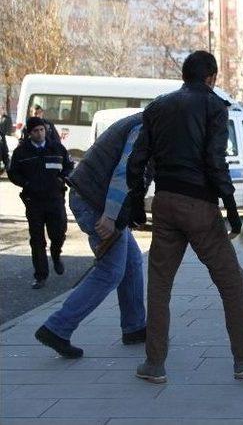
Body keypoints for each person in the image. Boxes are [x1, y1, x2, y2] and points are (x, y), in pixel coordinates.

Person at [127, 50, 243, 383]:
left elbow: (137, 159)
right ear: (211, 77)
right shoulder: (214, 106)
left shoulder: (157, 107)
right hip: (199, 205)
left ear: (185, 76)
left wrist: (137, 201)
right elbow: (215, 161)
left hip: (165, 202)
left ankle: (154, 365)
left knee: (159, 285)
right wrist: (232, 210)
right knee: (231, 282)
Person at [33, 113, 148, 358]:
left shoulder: (150, 123)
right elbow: (124, 172)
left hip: (99, 199)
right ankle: (57, 328)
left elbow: (139, 176)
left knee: (132, 262)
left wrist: (133, 212)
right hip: (94, 202)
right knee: (110, 270)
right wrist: (109, 215)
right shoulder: (145, 128)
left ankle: (135, 327)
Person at [7, 117, 73, 289]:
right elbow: (13, 174)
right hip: (34, 201)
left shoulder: (56, 148)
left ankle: (56, 254)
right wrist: (27, 184)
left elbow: (68, 166)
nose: (39, 133)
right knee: (37, 240)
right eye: (35, 131)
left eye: (42, 130)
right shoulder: (22, 152)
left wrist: (61, 179)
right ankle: (41, 275)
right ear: (30, 133)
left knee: (58, 233)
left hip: (55, 199)